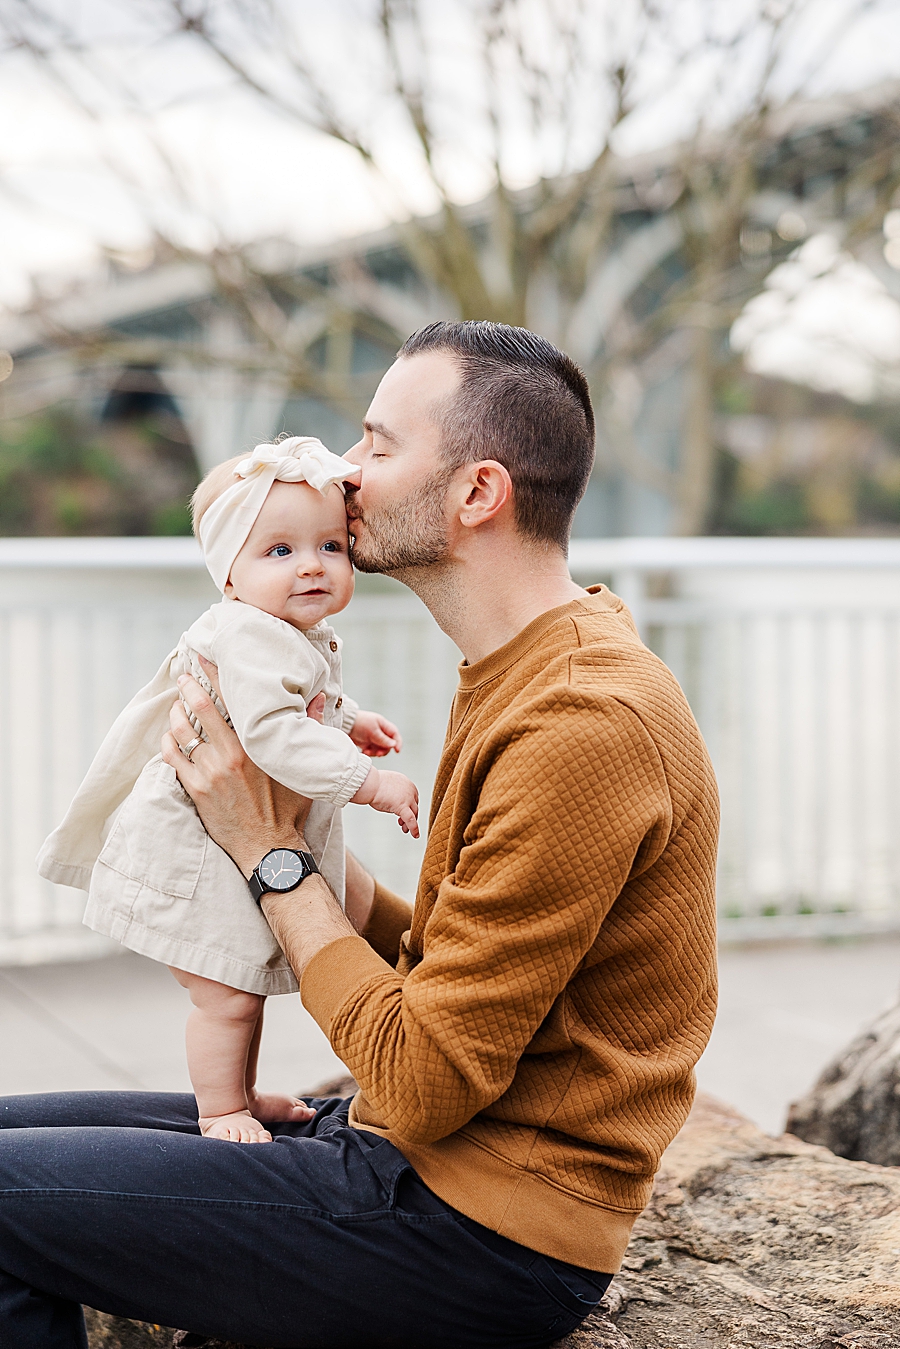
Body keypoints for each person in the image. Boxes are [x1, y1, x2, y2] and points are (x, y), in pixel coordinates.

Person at [0, 321, 718, 1349]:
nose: (344, 472)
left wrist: (272, 856)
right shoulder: (539, 659)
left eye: (378, 446)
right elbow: (476, 962)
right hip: (425, 1164)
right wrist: (296, 847)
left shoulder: (580, 724)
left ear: (476, 493)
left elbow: (424, 1080)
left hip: (477, 1229)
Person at [37, 435, 418, 1146]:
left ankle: (238, 1093)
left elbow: (291, 700)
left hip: (226, 846)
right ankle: (220, 1109)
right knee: (226, 996)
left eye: (330, 546)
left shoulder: (277, 630)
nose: (311, 564)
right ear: (229, 576)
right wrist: (368, 782)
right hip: (199, 853)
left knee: (242, 985)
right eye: (279, 551)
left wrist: (351, 718)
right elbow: (273, 731)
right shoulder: (251, 634)